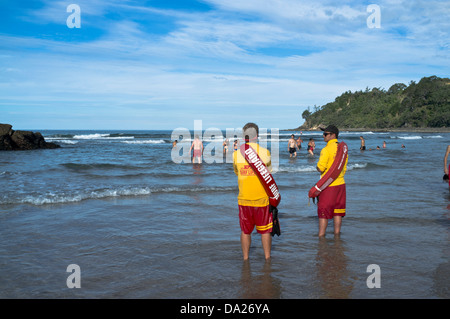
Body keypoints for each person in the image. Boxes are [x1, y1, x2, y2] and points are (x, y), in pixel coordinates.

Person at [233, 123, 273, 260]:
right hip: (262, 199)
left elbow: (237, 172)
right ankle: (267, 258)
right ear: (257, 135)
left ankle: (245, 258)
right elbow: (269, 175)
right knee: (265, 231)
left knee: (245, 231)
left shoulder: (237, 154)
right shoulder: (265, 153)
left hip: (244, 199)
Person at [316, 125, 348, 237]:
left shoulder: (326, 149)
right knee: (338, 212)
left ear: (333, 135)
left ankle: (321, 238)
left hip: (328, 185)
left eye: (325, 134)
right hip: (341, 184)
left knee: (323, 213)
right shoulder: (343, 149)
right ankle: (337, 236)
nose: (323, 136)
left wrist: (317, 167)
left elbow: (321, 168)